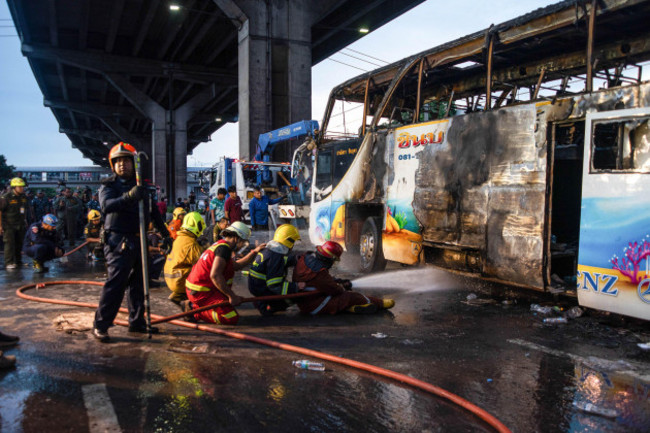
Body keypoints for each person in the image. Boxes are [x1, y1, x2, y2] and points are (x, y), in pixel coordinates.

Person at [92, 142, 172, 343]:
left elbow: (154, 213)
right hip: (118, 240)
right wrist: (128, 196)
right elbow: (106, 206)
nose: (122, 165)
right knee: (116, 283)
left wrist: (166, 234)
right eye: (118, 162)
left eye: (126, 161)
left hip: (139, 239)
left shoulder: (144, 187)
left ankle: (137, 322)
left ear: (133, 163)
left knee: (138, 283)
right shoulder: (108, 185)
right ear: (113, 165)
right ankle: (101, 325)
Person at [184, 222, 264, 325]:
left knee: (228, 304)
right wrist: (232, 296)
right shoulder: (224, 250)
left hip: (200, 290)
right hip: (201, 293)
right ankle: (194, 310)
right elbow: (215, 275)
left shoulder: (221, 245)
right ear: (236, 238)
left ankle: (196, 306)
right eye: (243, 243)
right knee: (230, 318)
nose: (242, 246)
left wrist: (254, 252)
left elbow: (236, 266)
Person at [293, 241, 395, 315]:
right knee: (350, 297)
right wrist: (342, 286)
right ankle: (380, 303)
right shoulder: (319, 272)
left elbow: (319, 282)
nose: (333, 263)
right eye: (334, 260)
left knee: (343, 302)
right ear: (330, 258)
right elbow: (335, 290)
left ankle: (353, 308)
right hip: (315, 306)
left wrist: (338, 281)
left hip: (306, 303)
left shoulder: (306, 259)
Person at [248, 224, 306, 316]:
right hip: (262, 289)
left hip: (256, 286)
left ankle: (263, 301)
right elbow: (274, 286)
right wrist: (295, 286)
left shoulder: (270, 250)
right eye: (293, 242)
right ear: (289, 242)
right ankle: (267, 306)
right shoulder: (276, 256)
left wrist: (295, 259)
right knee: (296, 296)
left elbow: (280, 262)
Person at [164, 212, 207, 306]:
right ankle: (193, 302)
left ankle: (178, 295)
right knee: (205, 272)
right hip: (178, 279)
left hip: (170, 277)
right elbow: (202, 261)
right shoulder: (190, 243)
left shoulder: (181, 237)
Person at [0, 177, 29, 270]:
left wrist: (25, 220)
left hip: (20, 224)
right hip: (8, 225)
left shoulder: (23, 197)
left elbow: (24, 210)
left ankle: (18, 261)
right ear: (14, 187)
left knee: (19, 243)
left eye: (22, 187)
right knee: (9, 244)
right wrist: (0, 226)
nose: (22, 188)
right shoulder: (6, 197)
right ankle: (9, 262)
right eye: (19, 187)